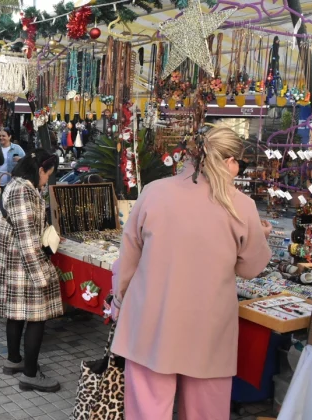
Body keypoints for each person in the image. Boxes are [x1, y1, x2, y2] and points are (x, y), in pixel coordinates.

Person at [110, 127, 272, 419]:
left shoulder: (154, 192)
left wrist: (120, 299)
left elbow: (129, 257)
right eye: (241, 164)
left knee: (147, 409)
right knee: (205, 412)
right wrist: (261, 236)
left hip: (151, 319)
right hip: (208, 328)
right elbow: (251, 269)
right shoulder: (241, 206)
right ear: (229, 161)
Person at [0, 148, 62, 393]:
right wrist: (43, 276)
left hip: (13, 262)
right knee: (37, 316)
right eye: (49, 175)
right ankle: (29, 374)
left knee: (15, 313)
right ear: (39, 170)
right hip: (20, 263)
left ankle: (14, 360)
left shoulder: (17, 186)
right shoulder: (23, 192)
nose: (48, 180)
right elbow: (28, 240)